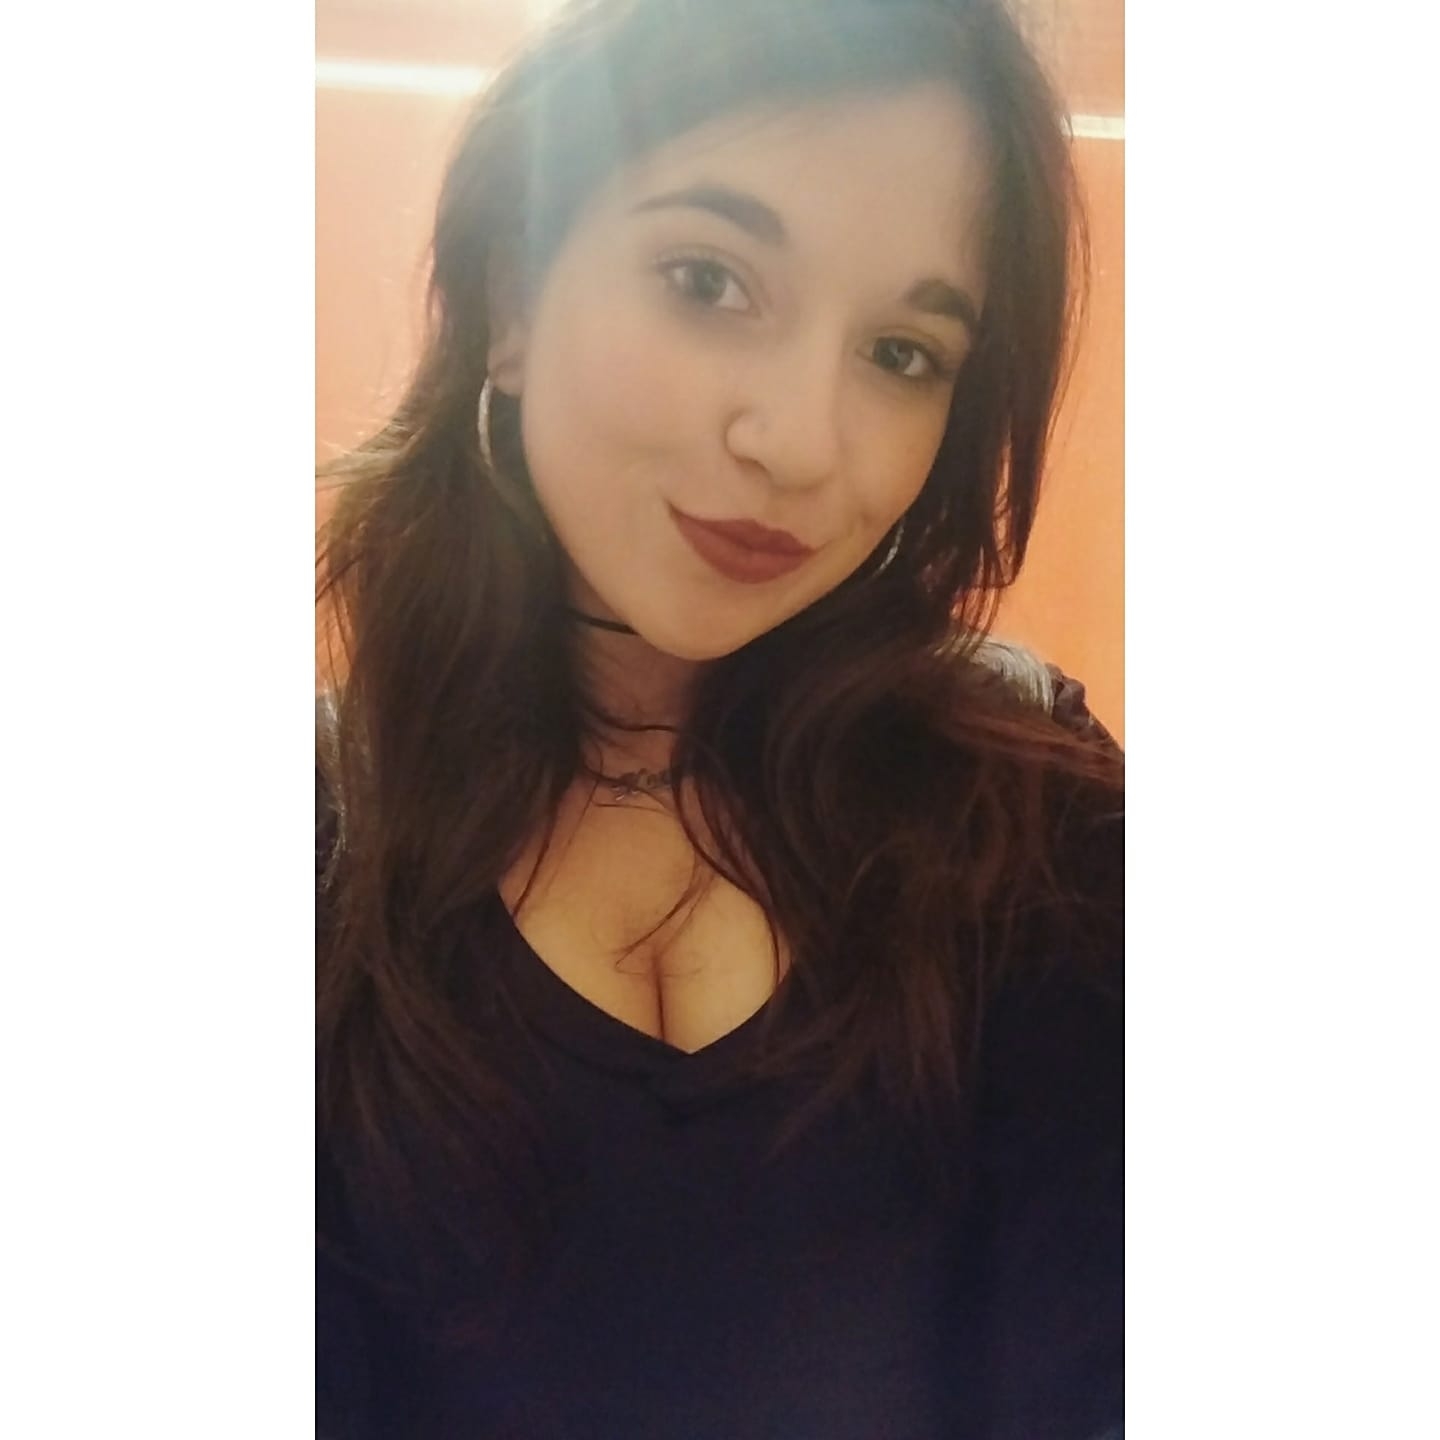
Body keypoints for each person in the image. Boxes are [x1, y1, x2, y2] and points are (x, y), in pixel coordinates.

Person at [316, 0, 1123, 1435]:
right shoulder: (318, 850)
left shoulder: (1034, 819)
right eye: (709, 279)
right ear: (512, 297)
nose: (801, 442)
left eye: (902, 354)